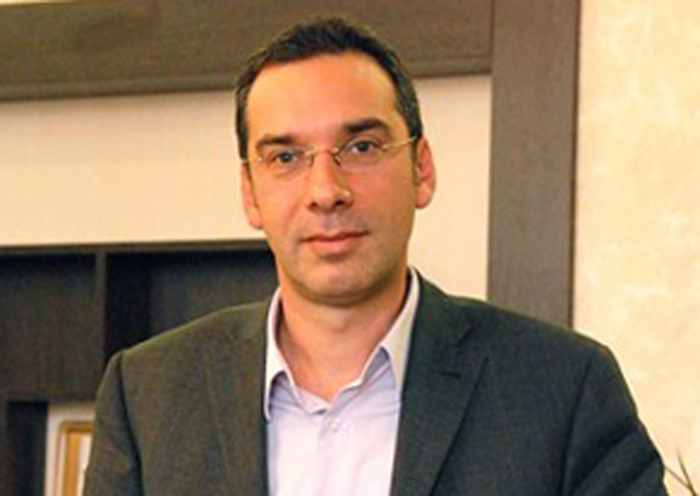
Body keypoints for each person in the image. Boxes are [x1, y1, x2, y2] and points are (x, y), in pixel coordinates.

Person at [84, 17, 667, 496]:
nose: (325, 191)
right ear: (249, 193)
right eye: (285, 157)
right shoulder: (147, 395)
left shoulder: (562, 389)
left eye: (361, 146)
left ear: (422, 169)